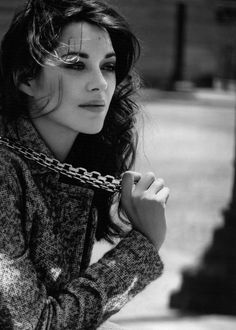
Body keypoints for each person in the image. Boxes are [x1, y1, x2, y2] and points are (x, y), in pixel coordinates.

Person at [0, 0, 170, 329]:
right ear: (26, 78)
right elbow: (35, 324)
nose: (101, 83)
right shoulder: (4, 172)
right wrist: (142, 245)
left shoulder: (70, 165)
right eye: (76, 65)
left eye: (107, 66)